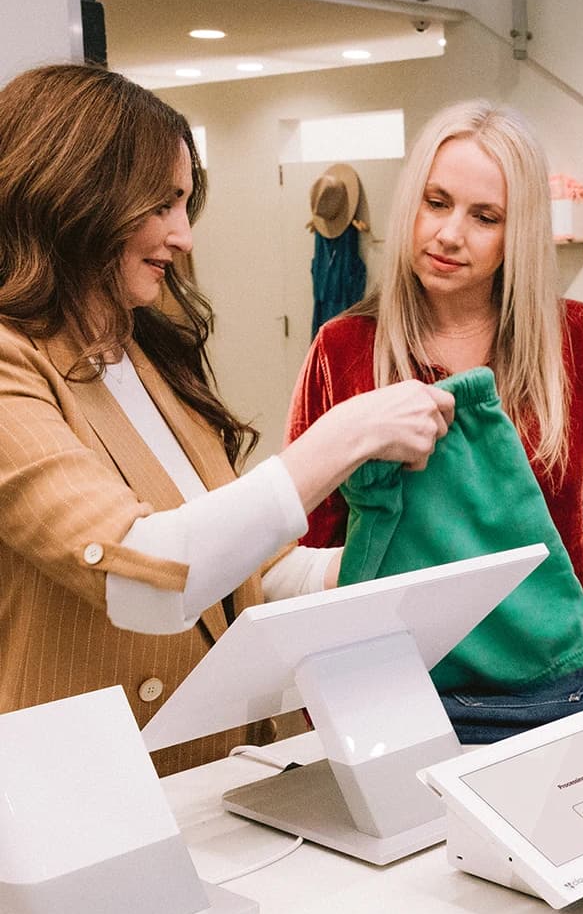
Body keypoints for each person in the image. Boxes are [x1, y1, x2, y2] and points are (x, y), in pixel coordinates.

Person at [0, 64, 454, 774]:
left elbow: (250, 572)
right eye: (161, 204)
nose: (183, 235)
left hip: (220, 771)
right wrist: (344, 437)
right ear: (74, 193)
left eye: (185, 205)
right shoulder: (11, 365)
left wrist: (399, 568)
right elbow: (141, 575)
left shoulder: (143, 353)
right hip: (85, 789)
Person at [285, 99, 583, 635]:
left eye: (485, 217)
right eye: (436, 203)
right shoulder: (342, 349)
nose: (449, 234)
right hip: (396, 666)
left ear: (518, 232)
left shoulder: (580, 342)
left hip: (557, 667)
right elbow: (310, 549)